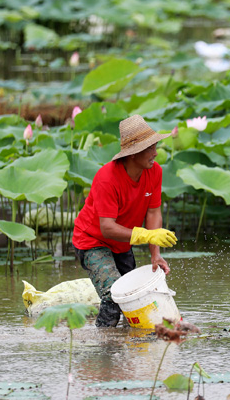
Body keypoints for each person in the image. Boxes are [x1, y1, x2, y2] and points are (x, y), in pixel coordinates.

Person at [72, 115, 178, 327]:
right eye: (150, 148)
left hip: (122, 243)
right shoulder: (107, 178)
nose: (155, 153)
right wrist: (145, 234)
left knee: (135, 297)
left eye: (155, 146)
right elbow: (107, 227)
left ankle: (130, 345)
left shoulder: (154, 171)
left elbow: (153, 213)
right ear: (132, 154)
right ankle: (103, 346)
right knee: (113, 297)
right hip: (92, 241)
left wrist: (155, 255)